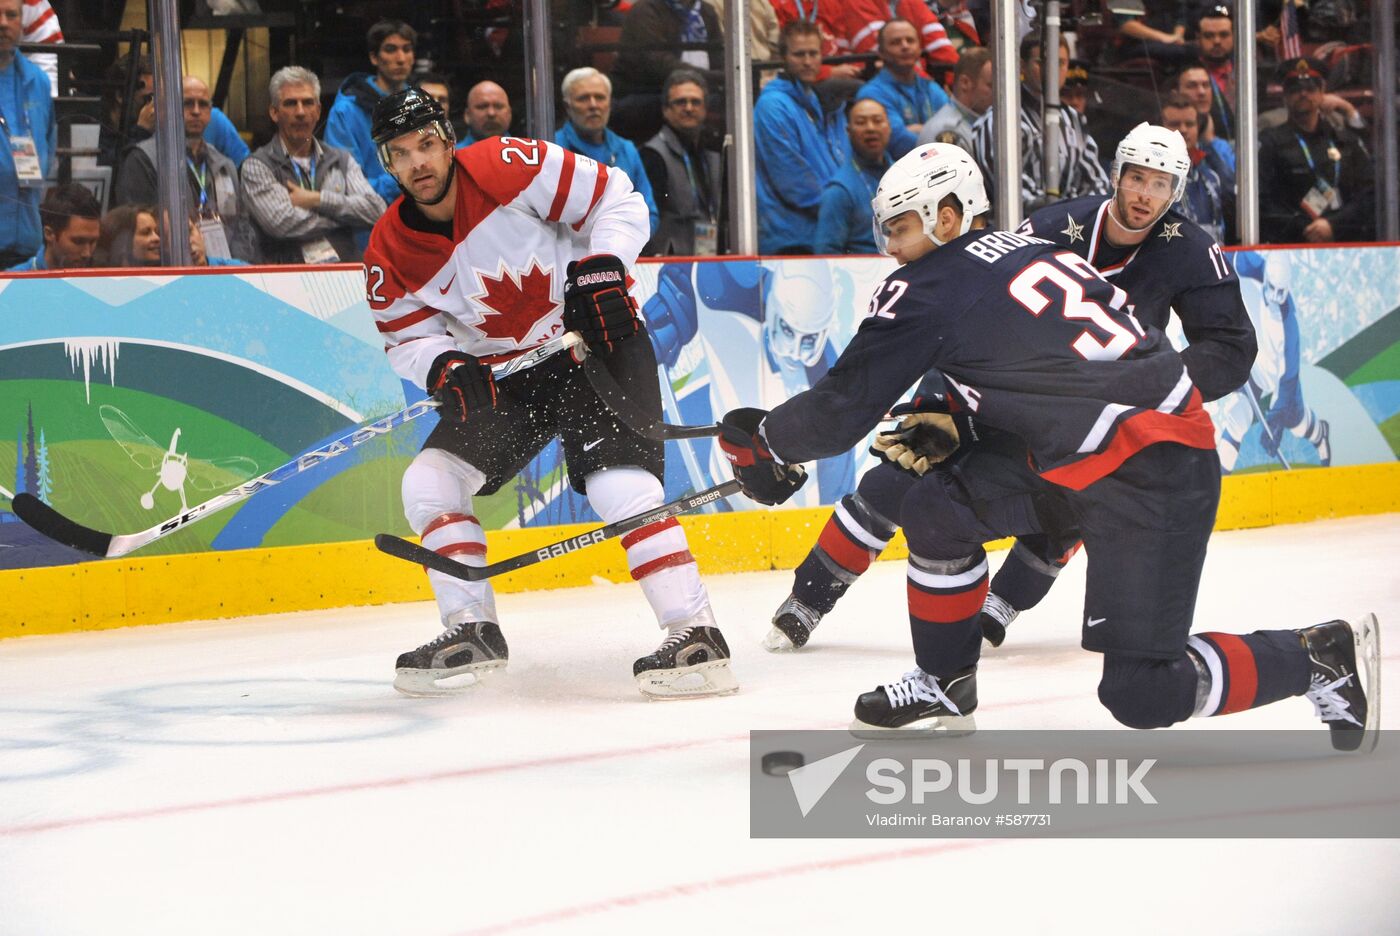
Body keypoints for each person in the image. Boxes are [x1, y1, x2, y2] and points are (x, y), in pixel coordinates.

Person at [718, 142, 1376, 751]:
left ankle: (1315, 656)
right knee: (935, 508)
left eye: (899, 227)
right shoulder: (1030, 250)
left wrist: (765, 443)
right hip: (1111, 454)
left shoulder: (930, 286)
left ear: (947, 216)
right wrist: (954, 414)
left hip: (1149, 474)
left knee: (1143, 692)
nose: (890, 246)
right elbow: (1032, 360)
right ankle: (944, 684)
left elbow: (840, 410)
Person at [768, 124, 1254, 655]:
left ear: (1178, 191)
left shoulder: (1189, 250)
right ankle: (808, 598)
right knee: (897, 477)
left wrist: (1138, 392)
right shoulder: (1051, 226)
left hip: (1094, 419)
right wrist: (940, 404)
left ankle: (997, 606)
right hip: (1010, 398)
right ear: (1116, 175)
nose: (1145, 195)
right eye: (1137, 178)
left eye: (1161, 185)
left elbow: (1230, 349)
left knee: (1073, 502)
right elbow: (964, 311)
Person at [362, 88, 734, 699]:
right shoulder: (387, 251)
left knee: (618, 484)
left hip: (595, 341)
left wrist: (604, 265)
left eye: (427, 144)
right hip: (509, 377)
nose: (418, 163)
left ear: (448, 140)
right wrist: (445, 365)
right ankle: (471, 630)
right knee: (428, 482)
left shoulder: (509, 165)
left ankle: (696, 634)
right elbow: (406, 337)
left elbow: (618, 197)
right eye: (401, 154)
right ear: (386, 163)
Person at [241, 66, 386, 264]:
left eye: (308, 103)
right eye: (291, 103)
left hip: (344, 278)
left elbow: (375, 209)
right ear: (274, 112)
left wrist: (316, 200)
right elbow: (281, 222)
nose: (300, 112)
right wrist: (345, 219)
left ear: (318, 111)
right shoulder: (257, 165)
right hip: (284, 282)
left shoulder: (341, 160)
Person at [114, 75, 258, 263]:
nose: (196, 111)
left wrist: (235, 268)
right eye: (187, 104)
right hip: (172, 270)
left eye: (203, 104)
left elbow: (242, 227)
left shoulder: (224, 164)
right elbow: (138, 234)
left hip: (224, 270)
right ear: (166, 109)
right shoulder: (142, 159)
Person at [970, 34, 1110, 214]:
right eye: (1041, 62)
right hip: (1017, 232)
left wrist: (1082, 213)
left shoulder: (1074, 119)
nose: (1052, 69)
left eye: (1060, 63)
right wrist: (1059, 212)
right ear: (1022, 65)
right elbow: (1007, 188)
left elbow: (1095, 181)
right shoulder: (1001, 119)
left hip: (1068, 227)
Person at [754, 20, 850, 254]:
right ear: (784, 57)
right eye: (799, 54)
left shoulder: (812, 100)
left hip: (820, 232)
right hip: (790, 240)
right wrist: (847, 212)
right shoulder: (773, 106)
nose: (808, 61)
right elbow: (794, 183)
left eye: (813, 53)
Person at [1259, 56, 1374, 244]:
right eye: (1295, 89)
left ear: (1322, 93)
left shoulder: (1344, 141)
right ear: (1285, 96)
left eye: (1311, 88)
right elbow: (1264, 201)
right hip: (1293, 243)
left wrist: (1333, 225)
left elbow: (1368, 193)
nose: (1303, 94)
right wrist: (1304, 228)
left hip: (1346, 242)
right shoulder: (1270, 143)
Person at [554, 67, 659, 240]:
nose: (593, 105)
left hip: (620, 254)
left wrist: (622, 245)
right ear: (568, 106)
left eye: (600, 97)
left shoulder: (627, 149)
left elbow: (649, 214)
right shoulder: (552, 149)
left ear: (609, 103)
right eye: (583, 98)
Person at [326, 19, 417, 207]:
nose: (400, 58)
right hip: (369, 224)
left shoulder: (419, 103)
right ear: (374, 58)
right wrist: (406, 177)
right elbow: (345, 185)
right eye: (391, 49)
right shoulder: (346, 112)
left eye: (407, 49)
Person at [610, 0, 723, 142]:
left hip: (699, 87)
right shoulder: (645, 10)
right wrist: (712, 77)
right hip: (644, 91)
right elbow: (658, 64)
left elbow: (719, 55)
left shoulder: (706, 11)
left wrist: (723, 76)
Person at [640, 69, 722, 256]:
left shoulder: (712, 153)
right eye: (680, 102)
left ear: (705, 109)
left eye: (695, 102)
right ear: (666, 110)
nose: (689, 108)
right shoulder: (652, 155)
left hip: (707, 258)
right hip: (665, 264)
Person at [0, 0, 56, 269]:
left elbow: (49, 146)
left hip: (26, 243)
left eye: (11, 15)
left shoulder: (38, 82)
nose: (3, 23)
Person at [853, 19, 950, 160]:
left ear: (919, 48)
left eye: (910, 40)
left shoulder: (930, 87)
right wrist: (937, 135)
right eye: (896, 42)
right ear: (881, 52)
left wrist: (918, 130)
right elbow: (900, 144)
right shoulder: (871, 94)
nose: (905, 46)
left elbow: (955, 128)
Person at [814, 98, 891, 254]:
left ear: (889, 127)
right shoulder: (838, 191)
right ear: (848, 131)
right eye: (861, 122)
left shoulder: (907, 177)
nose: (870, 128)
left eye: (877, 120)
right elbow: (826, 253)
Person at [1159, 91, 1233, 244]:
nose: (1183, 130)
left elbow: (1233, 199)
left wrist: (1209, 142)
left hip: (1209, 263)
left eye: (1190, 124)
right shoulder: (1148, 180)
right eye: (1174, 124)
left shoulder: (1211, 178)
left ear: (1199, 128)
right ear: (1160, 127)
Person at [6, 182, 100, 270]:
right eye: (78, 241)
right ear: (49, 234)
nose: (87, 254)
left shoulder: (100, 282)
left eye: (92, 242)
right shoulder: (10, 283)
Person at [917, 46, 993, 153]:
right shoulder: (947, 131)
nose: (999, 93)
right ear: (965, 83)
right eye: (992, 85)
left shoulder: (987, 122)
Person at [1175, 62, 1236, 172]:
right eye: (1192, 86)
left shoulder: (1222, 143)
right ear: (1176, 92)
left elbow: (1232, 182)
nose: (1201, 92)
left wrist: (1211, 141)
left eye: (1206, 85)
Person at [1195, 4, 1236, 145]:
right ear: (1198, 38)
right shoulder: (1188, 77)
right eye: (1209, 36)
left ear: (1234, 36)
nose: (1217, 41)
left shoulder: (1249, 74)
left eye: (1224, 35)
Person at [94, 204, 161, 267]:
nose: (157, 238)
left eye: (156, 232)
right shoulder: (98, 278)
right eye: (146, 233)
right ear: (121, 241)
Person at [457, 80, 512, 148]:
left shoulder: (526, 155)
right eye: (482, 107)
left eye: (498, 106)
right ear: (467, 115)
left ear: (509, 113)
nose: (491, 113)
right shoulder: (453, 157)